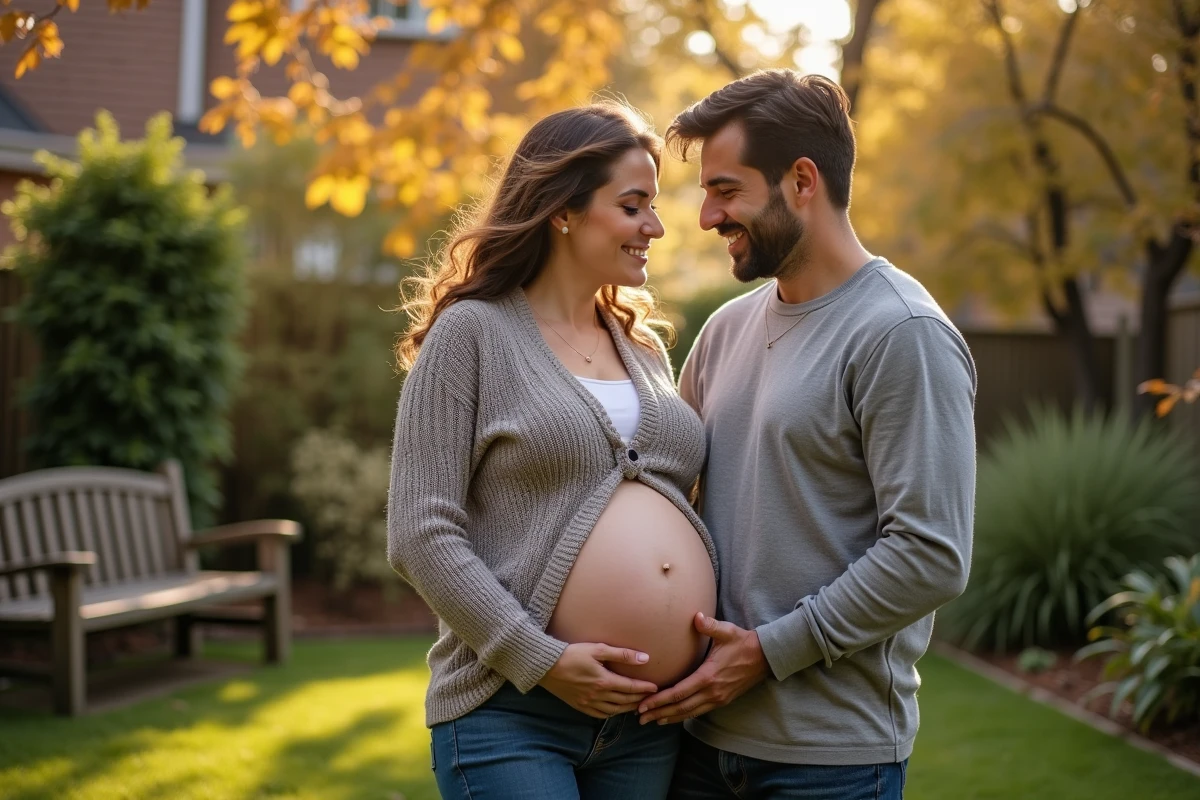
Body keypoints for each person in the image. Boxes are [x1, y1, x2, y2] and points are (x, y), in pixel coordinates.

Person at [634, 70, 978, 799]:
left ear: (800, 180)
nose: (704, 217)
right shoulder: (726, 330)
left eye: (725, 190)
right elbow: (663, 493)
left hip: (830, 762)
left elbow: (931, 553)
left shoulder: (901, 333)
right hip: (698, 741)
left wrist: (767, 652)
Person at [386, 103, 719, 799]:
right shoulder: (470, 336)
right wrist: (539, 658)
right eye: (634, 207)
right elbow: (420, 532)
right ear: (563, 211)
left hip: (646, 723)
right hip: (512, 712)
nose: (655, 228)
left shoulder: (646, 347)